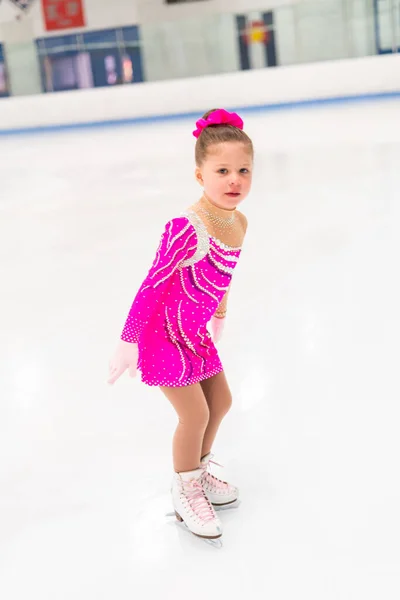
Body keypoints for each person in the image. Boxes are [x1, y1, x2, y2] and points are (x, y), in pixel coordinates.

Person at [108, 108, 253, 541]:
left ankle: (201, 469)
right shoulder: (185, 227)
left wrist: (220, 314)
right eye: (222, 170)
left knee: (221, 401)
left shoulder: (237, 221)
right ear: (199, 175)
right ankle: (185, 487)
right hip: (160, 336)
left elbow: (223, 274)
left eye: (243, 170)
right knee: (195, 413)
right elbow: (151, 284)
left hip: (194, 334)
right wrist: (127, 341)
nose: (234, 180)